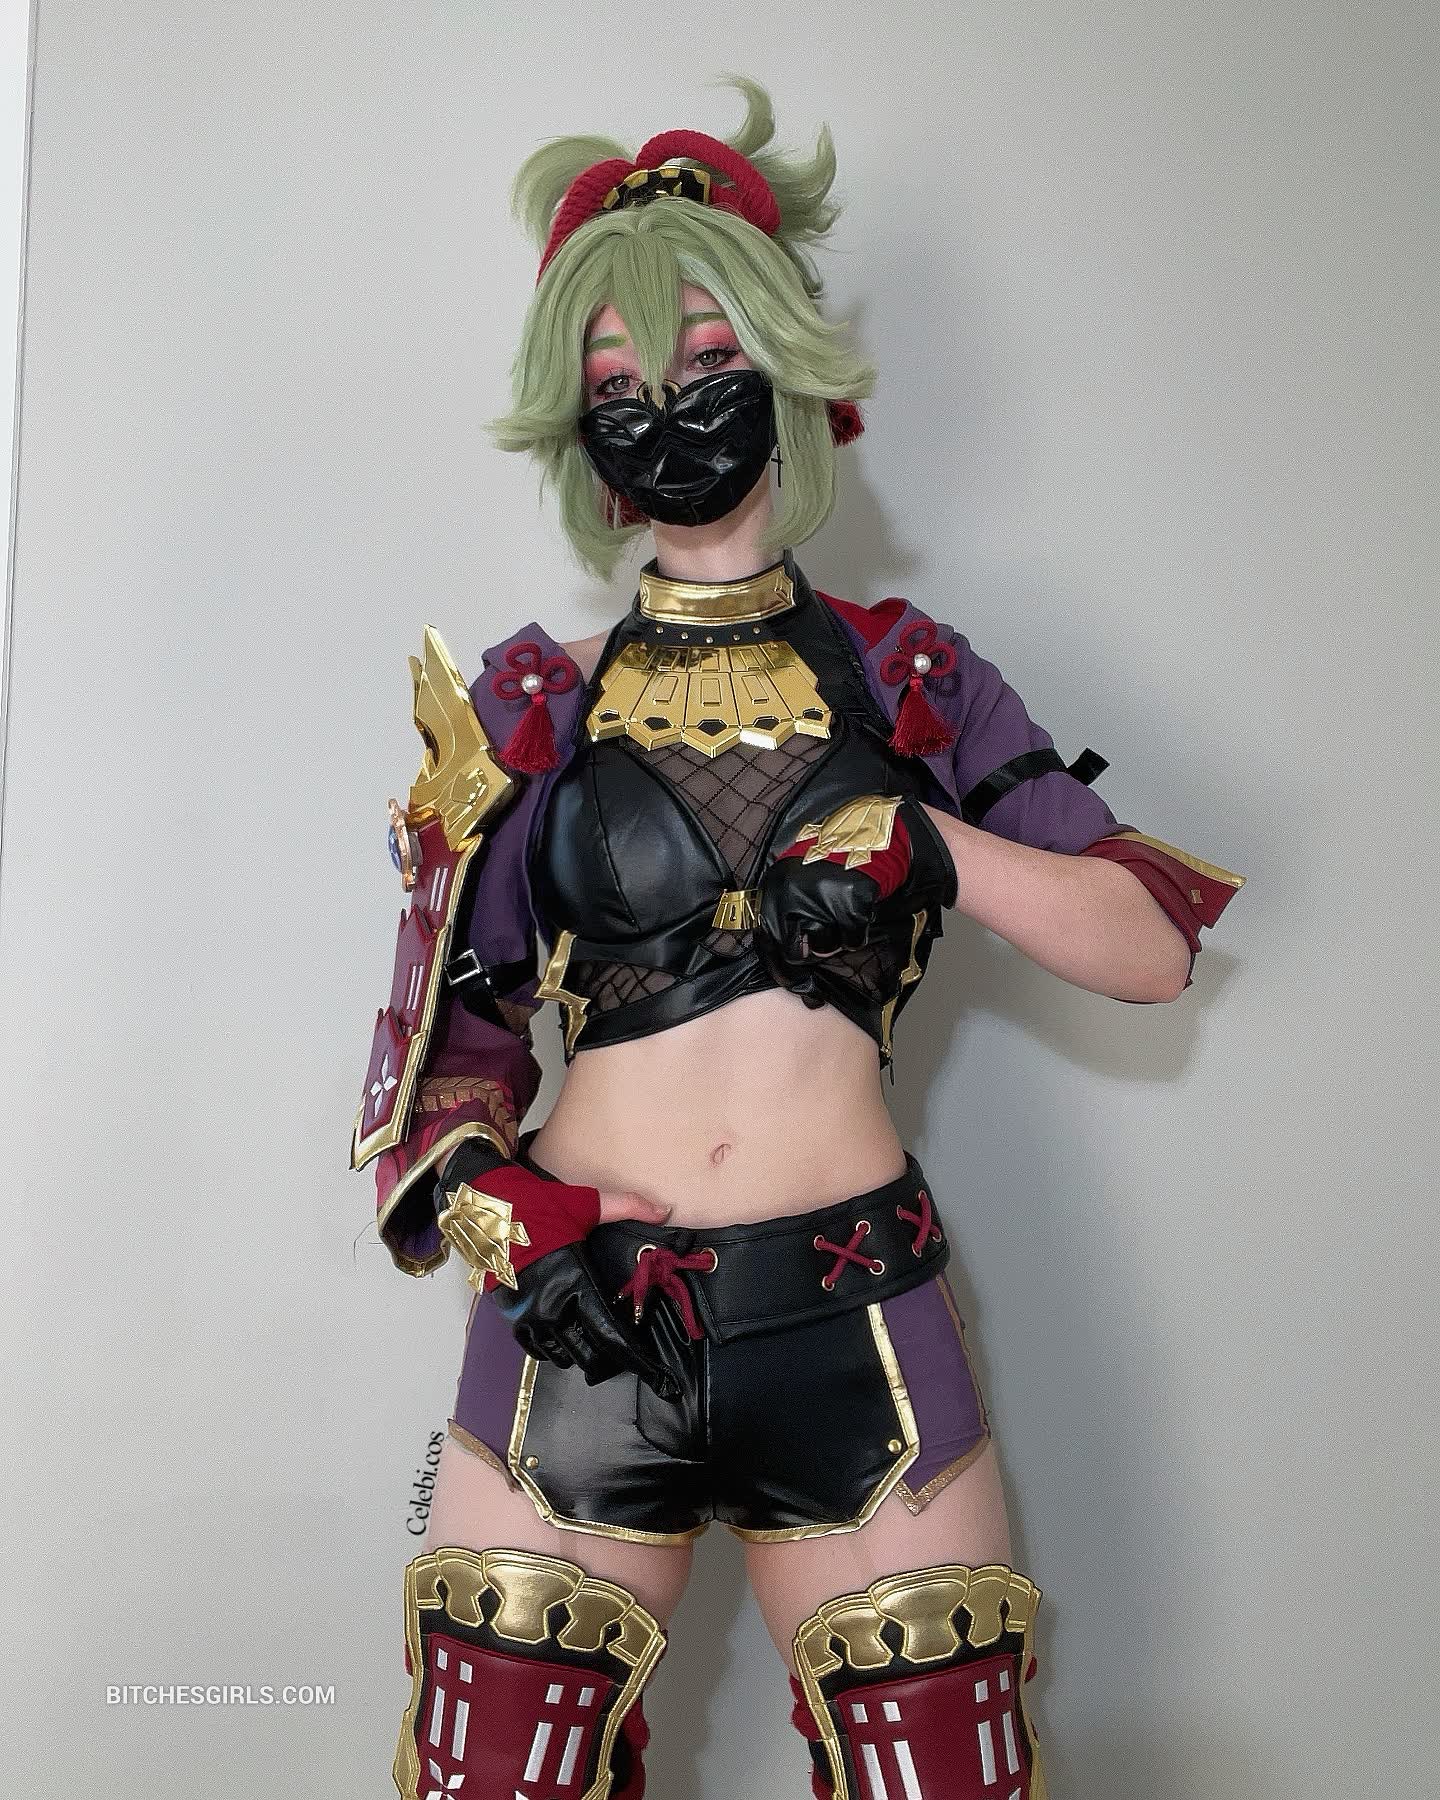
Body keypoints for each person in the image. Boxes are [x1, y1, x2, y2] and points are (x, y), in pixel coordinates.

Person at [352, 75, 1244, 1800]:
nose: (666, 410)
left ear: (787, 371)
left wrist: (932, 845)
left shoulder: (915, 679)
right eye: (616, 385)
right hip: (584, 1327)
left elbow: (1148, 948)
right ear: (577, 430)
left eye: (705, 361)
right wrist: (516, 1233)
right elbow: (435, 1069)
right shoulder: (527, 710)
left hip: (859, 1326)